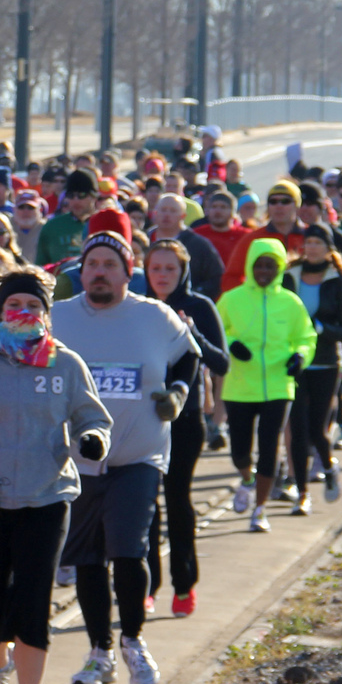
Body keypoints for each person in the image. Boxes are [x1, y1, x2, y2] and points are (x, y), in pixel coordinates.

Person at [0, 271, 111, 684]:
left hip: (46, 498)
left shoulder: (65, 363)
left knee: (33, 605)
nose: (23, 311)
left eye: (33, 304)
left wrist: (93, 440)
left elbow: (91, 416)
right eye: (13, 302)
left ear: (46, 312)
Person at [49, 224, 199, 684]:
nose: (99, 273)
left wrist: (177, 392)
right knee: (89, 558)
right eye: (92, 264)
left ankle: (133, 642)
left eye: (110, 265)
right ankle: (100, 652)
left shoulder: (154, 316)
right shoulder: (57, 318)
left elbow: (188, 357)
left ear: (127, 273)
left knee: (129, 549)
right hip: (76, 461)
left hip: (139, 455)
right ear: (81, 271)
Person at [134, 240, 229, 615]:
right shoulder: (136, 309)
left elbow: (222, 363)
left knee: (177, 500)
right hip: (143, 418)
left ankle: (184, 583)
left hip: (186, 419)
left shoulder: (200, 307)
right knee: (145, 504)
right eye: (155, 268)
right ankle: (149, 585)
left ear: (183, 271)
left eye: (170, 269)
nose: (161, 276)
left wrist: (193, 335)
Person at [218, 238, 318, 533]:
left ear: (280, 268)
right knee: (239, 451)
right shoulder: (231, 299)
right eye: (259, 265)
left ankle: (259, 510)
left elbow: (306, 336)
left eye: (270, 266)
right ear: (250, 266)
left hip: (278, 385)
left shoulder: (290, 302)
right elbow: (215, 329)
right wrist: (233, 344)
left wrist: (300, 357)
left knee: (269, 446)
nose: (264, 270)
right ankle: (246, 479)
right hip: (239, 386)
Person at [281, 226, 342, 512]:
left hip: (325, 362)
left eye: (318, 243)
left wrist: (322, 328)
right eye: (308, 242)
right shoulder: (290, 276)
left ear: (329, 248)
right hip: (295, 362)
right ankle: (302, 493)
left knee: (317, 429)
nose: (312, 248)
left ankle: (328, 464)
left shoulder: (337, 281)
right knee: (297, 430)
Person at [34, 169, 98, 267]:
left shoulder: (104, 223)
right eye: (71, 195)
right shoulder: (52, 226)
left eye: (82, 195)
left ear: (94, 196)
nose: (75, 201)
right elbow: (40, 267)